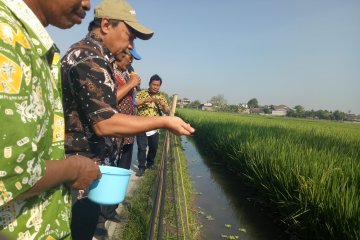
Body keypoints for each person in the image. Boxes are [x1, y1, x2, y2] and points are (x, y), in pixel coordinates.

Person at [60, 0, 195, 239]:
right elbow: (105, 123)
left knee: (86, 222)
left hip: (85, 167)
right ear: (105, 25)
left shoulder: (97, 57)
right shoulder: (88, 57)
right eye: (129, 35)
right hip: (74, 171)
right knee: (79, 227)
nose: (130, 45)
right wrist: (164, 122)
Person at [0, 0, 101, 239]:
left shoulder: (32, 43)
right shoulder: (6, 37)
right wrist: (73, 167)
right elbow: (10, 174)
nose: (87, 4)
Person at [135, 74, 170, 177]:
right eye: (153, 84)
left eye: (157, 85)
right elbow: (134, 103)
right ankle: (141, 167)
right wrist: (145, 100)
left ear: (160, 86)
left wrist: (163, 106)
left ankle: (150, 163)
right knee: (142, 148)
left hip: (155, 128)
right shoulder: (141, 93)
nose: (155, 87)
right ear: (149, 84)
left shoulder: (162, 97)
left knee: (153, 147)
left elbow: (167, 111)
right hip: (141, 125)